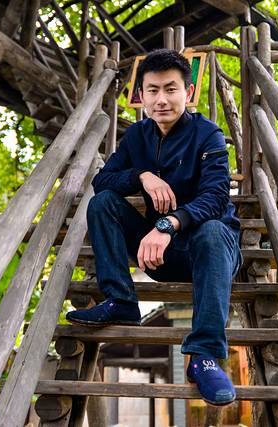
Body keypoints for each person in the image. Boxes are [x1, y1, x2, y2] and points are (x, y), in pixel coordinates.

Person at [66, 49, 242, 406]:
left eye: (171, 89)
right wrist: (142, 176)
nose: (161, 99)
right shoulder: (137, 136)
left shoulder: (209, 135)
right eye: (153, 90)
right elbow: (103, 181)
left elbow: (216, 196)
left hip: (210, 255)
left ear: (187, 92)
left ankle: (205, 356)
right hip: (161, 259)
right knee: (102, 203)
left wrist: (167, 224)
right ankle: (121, 300)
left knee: (213, 230)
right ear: (142, 96)